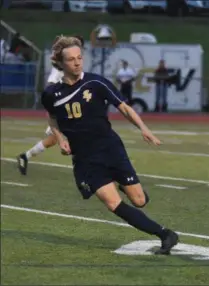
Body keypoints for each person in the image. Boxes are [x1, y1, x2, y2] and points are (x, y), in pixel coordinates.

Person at [40, 35, 178, 254]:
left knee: (139, 201)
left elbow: (123, 107)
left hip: (110, 148)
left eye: (79, 58)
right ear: (60, 63)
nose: (77, 63)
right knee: (112, 203)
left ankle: (125, 184)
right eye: (71, 59)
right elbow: (52, 118)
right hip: (86, 159)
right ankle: (165, 234)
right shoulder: (51, 94)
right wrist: (61, 138)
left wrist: (143, 128)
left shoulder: (96, 82)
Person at [17, 35, 84, 175]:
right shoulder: (61, 67)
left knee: (54, 140)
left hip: (68, 108)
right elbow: (51, 86)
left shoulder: (71, 63)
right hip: (61, 109)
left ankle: (25, 156)